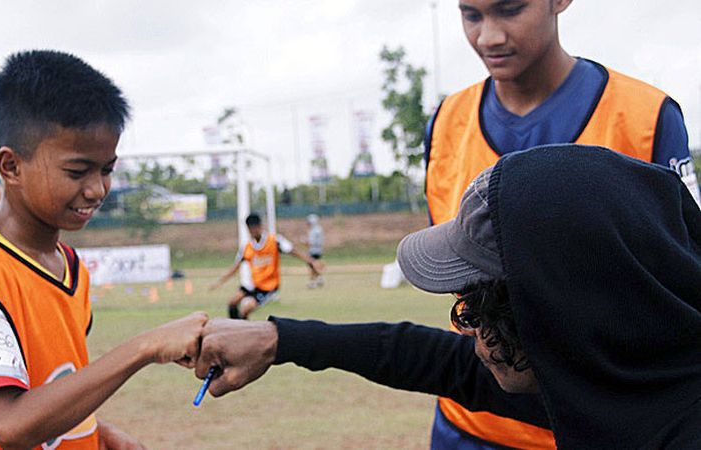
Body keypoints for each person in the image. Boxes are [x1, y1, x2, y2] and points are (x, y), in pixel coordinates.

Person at [195, 145, 701, 449]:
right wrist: (278, 340)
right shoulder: (616, 373)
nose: (465, 326)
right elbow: (437, 360)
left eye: (482, 305)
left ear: (554, 309)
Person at [0, 50, 208, 449]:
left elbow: (49, 387)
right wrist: (145, 347)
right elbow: (11, 424)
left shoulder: (69, 267)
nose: (97, 189)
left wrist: (96, 433)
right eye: (77, 172)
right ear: (10, 167)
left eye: (107, 169)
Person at [423, 1, 700, 447]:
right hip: (471, 422)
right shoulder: (443, 126)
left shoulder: (645, 117)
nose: (488, 36)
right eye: (471, 15)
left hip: (594, 427)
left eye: (510, 10)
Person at [209, 213, 323, 320]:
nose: (253, 231)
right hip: (253, 285)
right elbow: (235, 268)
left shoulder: (274, 241)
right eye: (250, 229)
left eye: (255, 228)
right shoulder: (247, 247)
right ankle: (234, 328)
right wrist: (219, 282)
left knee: (245, 309)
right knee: (232, 302)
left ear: (260, 226)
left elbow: (293, 251)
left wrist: (311, 261)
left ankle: (242, 333)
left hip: (269, 287)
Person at [305, 214, 325, 289]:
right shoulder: (318, 229)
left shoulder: (314, 230)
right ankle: (319, 278)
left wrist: (304, 242)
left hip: (314, 250)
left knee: (312, 266)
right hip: (318, 250)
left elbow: (311, 242)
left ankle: (313, 282)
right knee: (314, 265)